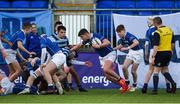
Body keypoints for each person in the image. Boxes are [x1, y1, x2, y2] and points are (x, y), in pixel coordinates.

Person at [71, 28, 129, 93]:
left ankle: (122, 81)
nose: (82, 39)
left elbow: (108, 42)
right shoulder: (87, 40)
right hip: (102, 57)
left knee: (106, 69)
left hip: (110, 54)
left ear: (86, 34)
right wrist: (70, 50)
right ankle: (124, 86)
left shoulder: (96, 35)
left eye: (82, 37)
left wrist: (99, 46)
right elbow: (79, 45)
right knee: (108, 77)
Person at [142, 17, 171, 93]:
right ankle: (168, 87)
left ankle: (145, 86)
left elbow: (147, 44)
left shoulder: (149, 31)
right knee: (165, 69)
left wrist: (146, 55)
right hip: (164, 50)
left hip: (153, 50)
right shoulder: (165, 29)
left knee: (151, 70)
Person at [114, 24, 143, 92]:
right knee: (124, 67)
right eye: (118, 34)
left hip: (138, 53)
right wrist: (113, 49)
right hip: (132, 52)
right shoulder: (123, 37)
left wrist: (127, 48)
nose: (119, 35)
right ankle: (127, 84)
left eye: (119, 33)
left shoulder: (129, 36)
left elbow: (136, 42)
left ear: (123, 31)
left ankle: (135, 85)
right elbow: (121, 45)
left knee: (133, 71)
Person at [151, 17, 176, 94]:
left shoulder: (157, 32)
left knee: (156, 71)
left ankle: (155, 90)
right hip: (168, 52)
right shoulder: (170, 30)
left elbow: (156, 46)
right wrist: (171, 51)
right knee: (164, 70)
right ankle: (172, 83)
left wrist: (153, 56)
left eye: (153, 23)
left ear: (155, 23)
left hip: (160, 53)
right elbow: (173, 44)